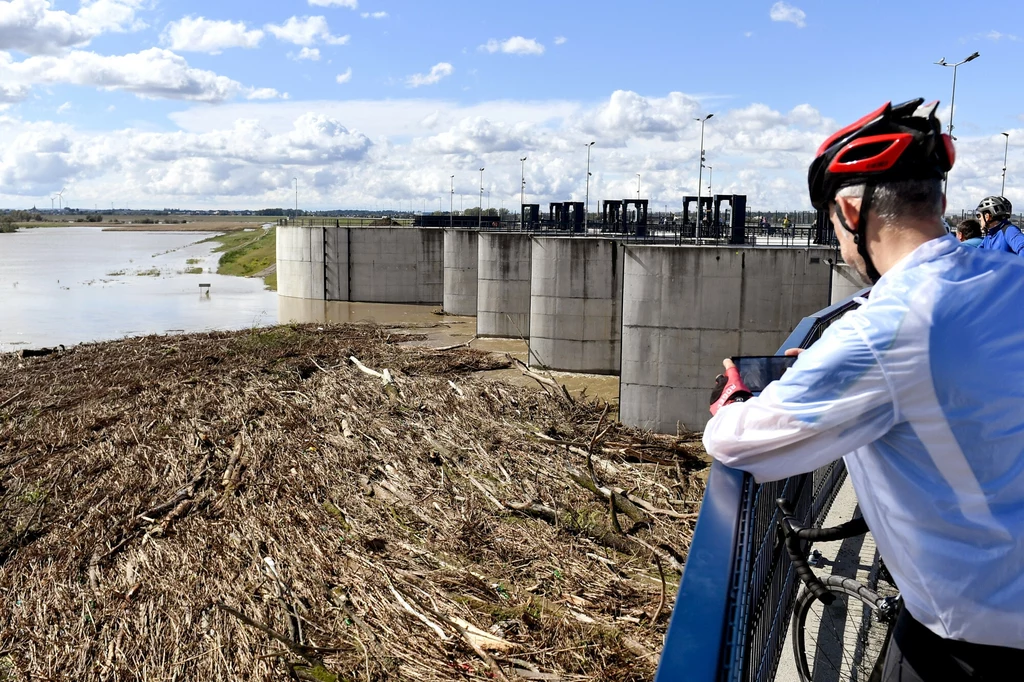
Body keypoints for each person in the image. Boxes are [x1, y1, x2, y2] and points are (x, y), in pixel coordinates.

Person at [704, 98, 1024, 681]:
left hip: (976, 639)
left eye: (832, 222)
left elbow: (738, 444)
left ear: (851, 211)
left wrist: (734, 394)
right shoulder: (1009, 276)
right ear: (943, 202)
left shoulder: (890, 327)